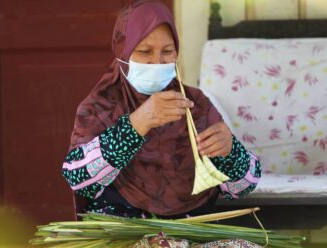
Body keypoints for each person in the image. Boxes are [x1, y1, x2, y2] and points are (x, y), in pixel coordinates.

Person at [62, 0, 261, 220]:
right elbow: (77, 179)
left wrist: (230, 152)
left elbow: (244, 186)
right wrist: (135, 126)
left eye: (167, 51)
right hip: (124, 231)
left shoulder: (194, 103)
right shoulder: (100, 108)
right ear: (122, 51)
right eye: (145, 51)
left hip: (193, 229)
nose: (157, 62)